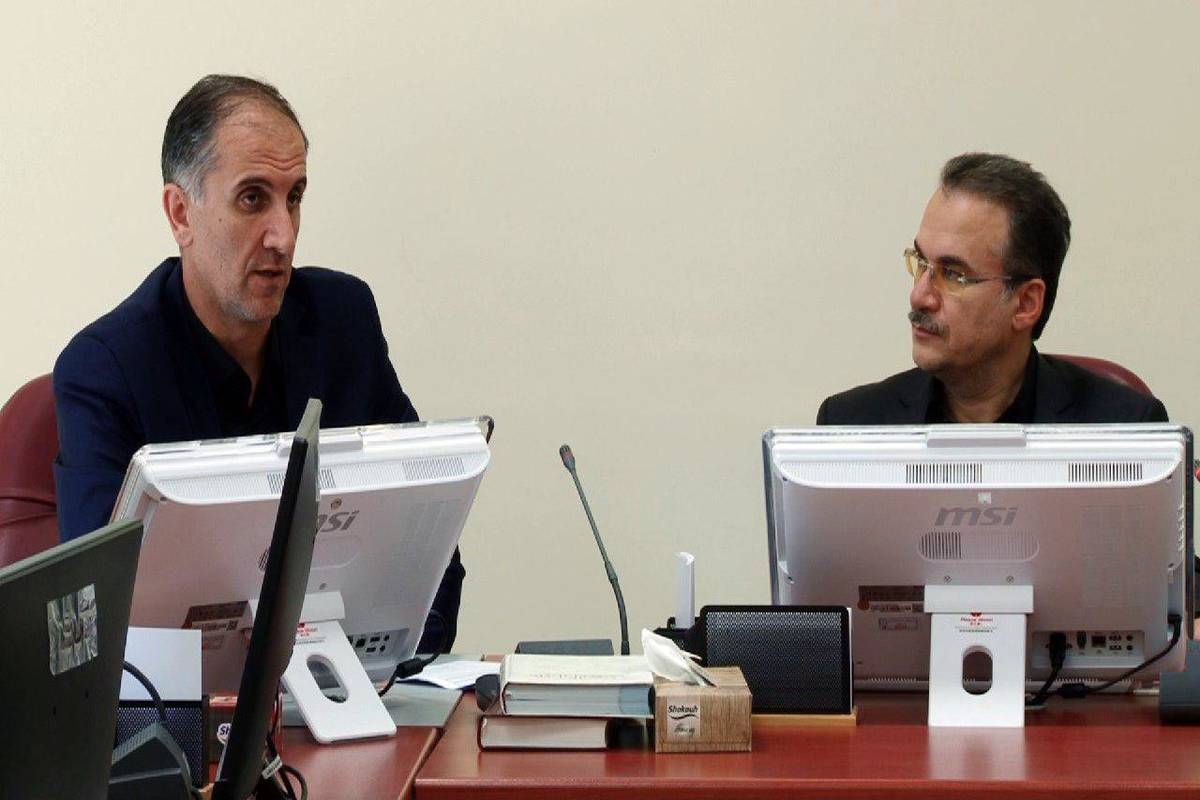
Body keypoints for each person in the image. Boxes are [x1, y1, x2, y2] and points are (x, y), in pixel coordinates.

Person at [53, 74, 462, 651]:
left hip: (352, 684)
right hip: (189, 703)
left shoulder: (342, 322)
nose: (283, 237)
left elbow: (428, 548)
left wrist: (396, 665)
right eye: (253, 199)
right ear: (181, 214)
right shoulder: (105, 372)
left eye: (294, 198)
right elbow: (96, 617)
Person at [817, 152, 1167, 425]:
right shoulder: (851, 425)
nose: (919, 296)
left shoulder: (1124, 428)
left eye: (953, 275)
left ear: (1026, 303)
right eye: (921, 263)